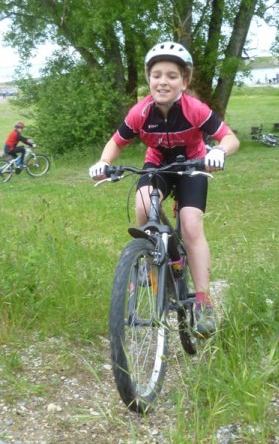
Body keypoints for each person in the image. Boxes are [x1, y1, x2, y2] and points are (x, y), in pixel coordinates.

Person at [89, 41, 240, 337]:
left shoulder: (194, 108)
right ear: (149, 79)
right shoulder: (141, 111)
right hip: (157, 165)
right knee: (143, 205)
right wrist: (104, 162)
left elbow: (230, 138)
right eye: (157, 75)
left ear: (184, 81)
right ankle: (153, 256)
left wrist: (220, 152)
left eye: (172, 75)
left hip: (192, 166)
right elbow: (116, 142)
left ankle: (202, 302)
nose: (163, 81)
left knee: (191, 225)